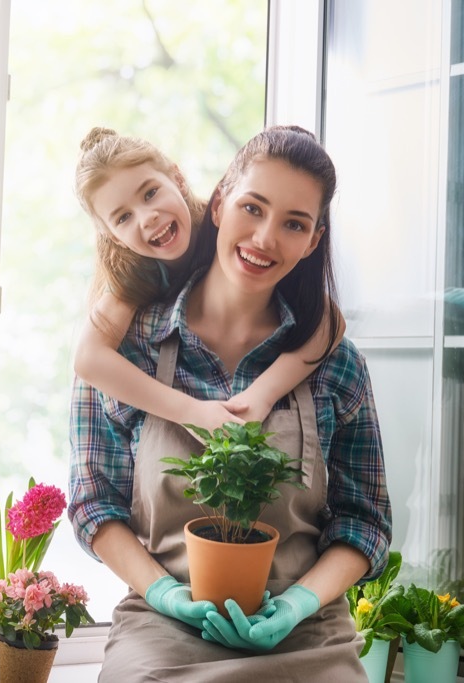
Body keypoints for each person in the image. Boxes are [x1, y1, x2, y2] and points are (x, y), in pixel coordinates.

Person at [68, 125, 392, 681]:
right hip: (161, 632)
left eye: (294, 223)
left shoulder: (334, 361)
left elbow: (365, 525)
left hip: (306, 637)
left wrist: (298, 605)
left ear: (313, 240)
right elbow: (95, 505)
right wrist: (166, 593)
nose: (266, 239)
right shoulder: (126, 354)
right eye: (252, 207)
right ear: (218, 203)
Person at [72, 127, 344, 433]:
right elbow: (87, 359)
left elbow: (329, 322)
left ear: (178, 178)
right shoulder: (136, 274)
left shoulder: (224, 222)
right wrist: (192, 412)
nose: (147, 217)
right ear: (113, 237)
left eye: (150, 193)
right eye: (123, 217)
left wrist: (262, 396)